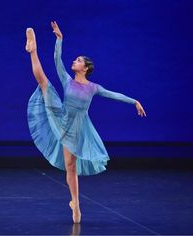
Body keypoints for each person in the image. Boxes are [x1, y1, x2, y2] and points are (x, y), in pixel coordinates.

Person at [25, 21, 146, 224]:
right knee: (44, 82)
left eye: (78, 60)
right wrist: (59, 40)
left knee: (71, 167)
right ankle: (32, 50)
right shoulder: (67, 80)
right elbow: (57, 60)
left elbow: (114, 95)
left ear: (86, 67)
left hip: (78, 129)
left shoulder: (93, 88)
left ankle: (76, 204)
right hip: (62, 117)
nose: (75, 61)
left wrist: (134, 101)